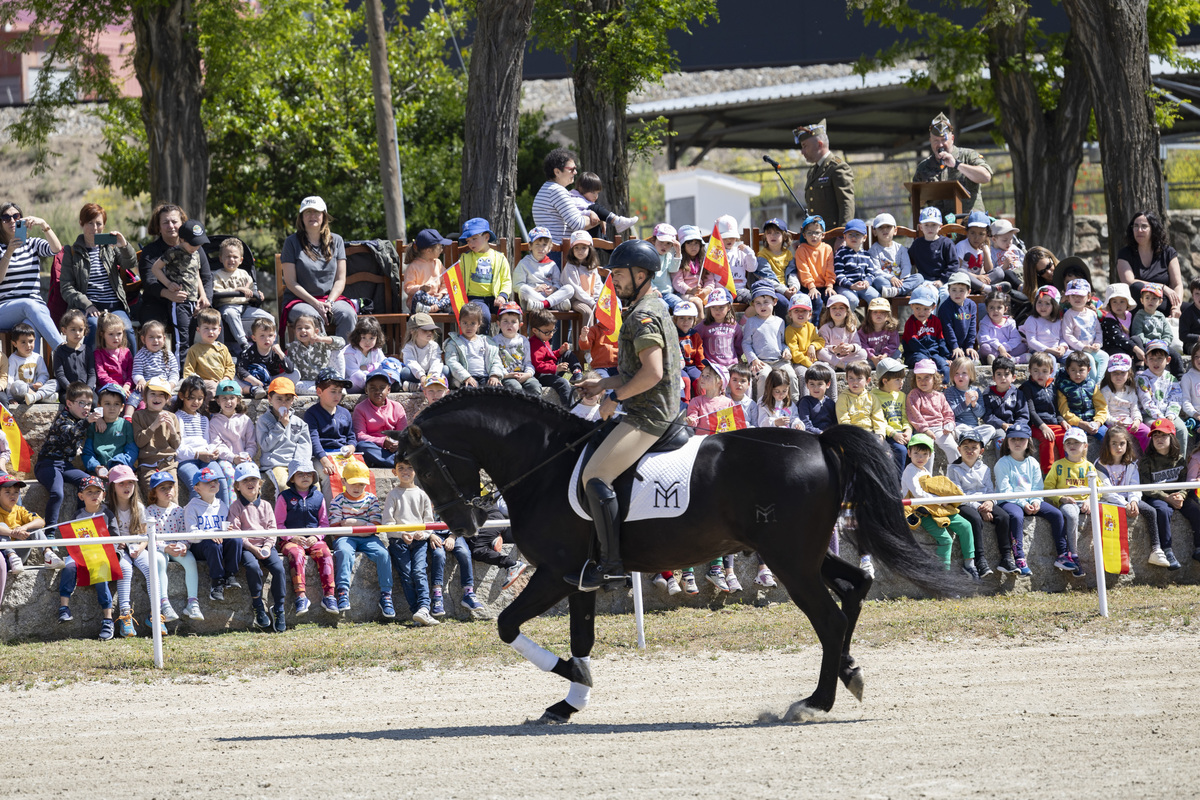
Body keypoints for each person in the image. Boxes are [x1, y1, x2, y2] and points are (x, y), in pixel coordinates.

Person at [574, 239, 682, 590]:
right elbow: (637, 370)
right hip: (646, 406)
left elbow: (651, 375)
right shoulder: (649, 306)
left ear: (640, 274)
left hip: (649, 415)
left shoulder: (644, 314)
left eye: (618, 275)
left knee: (594, 477)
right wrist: (602, 383)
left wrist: (613, 398)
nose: (613, 281)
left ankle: (612, 564)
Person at [58, 202, 137, 349]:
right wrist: (87, 304)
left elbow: (129, 262)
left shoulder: (111, 247)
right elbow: (66, 287)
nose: (95, 228)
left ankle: (134, 371)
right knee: (93, 328)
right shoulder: (72, 252)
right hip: (88, 307)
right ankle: (91, 370)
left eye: (99, 224)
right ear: (81, 223)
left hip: (114, 306)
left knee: (127, 330)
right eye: (90, 223)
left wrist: (124, 245)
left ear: (104, 226)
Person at [107, 464, 173, 635]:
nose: (126, 487)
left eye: (130, 482)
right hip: (120, 550)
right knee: (125, 569)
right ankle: (125, 615)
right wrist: (117, 544)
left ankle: (155, 615)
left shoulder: (139, 507)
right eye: (121, 483)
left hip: (137, 546)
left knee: (152, 567)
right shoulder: (108, 509)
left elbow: (146, 535)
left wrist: (141, 547)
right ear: (113, 486)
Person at [994, 423, 1066, 576]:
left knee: (1056, 514)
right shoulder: (1002, 463)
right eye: (1013, 439)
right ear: (1007, 442)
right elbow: (1005, 490)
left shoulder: (1032, 462)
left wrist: (1036, 501)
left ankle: (1063, 554)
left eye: (1022, 439)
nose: (1017, 443)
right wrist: (1023, 503)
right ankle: (1019, 556)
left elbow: (1037, 487)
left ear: (1028, 442)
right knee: (1016, 516)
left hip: (1029, 501)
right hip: (1009, 501)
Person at [280, 196, 357, 339]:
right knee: (312, 318)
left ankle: (342, 358)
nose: (312, 216)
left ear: (324, 216)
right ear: (301, 217)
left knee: (348, 314)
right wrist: (316, 304)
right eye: (307, 212)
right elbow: (291, 282)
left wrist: (329, 302)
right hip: (301, 300)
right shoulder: (291, 242)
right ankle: (320, 359)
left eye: (316, 212)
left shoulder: (337, 241)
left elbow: (340, 279)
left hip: (330, 299)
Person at [327, 458, 394, 619]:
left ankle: (386, 594)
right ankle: (343, 591)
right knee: (343, 551)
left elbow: (376, 524)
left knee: (383, 554)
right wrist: (363, 527)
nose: (357, 488)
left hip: (367, 538)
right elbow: (335, 527)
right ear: (344, 481)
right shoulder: (338, 501)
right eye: (353, 483)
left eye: (361, 484)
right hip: (345, 539)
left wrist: (352, 523)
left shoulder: (371, 499)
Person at [902, 433, 976, 575]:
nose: (920, 457)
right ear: (909, 452)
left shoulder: (924, 470)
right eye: (916, 453)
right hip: (921, 511)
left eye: (924, 454)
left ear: (930, 455)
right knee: (946, 540)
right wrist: (940, 500)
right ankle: (944, 577)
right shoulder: (910, 470)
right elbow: (918, 494)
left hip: (935, 507)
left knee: (966, 526)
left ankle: (969, 564)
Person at [137, 203, 213, 341]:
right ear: (158, 227)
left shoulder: (195, 247)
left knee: (211, 320)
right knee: (152, 326)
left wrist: (205, 299)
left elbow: (206, 277)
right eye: (165, 222)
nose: (171, 226)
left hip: (190, 301)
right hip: (157, 303)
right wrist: (168, 294)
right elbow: (149, 281)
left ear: (182, 224)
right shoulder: (150, 251)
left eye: (174, 221)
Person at [226, 462, 287, 632]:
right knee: (253, 567)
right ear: (237, 486)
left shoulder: (266, 505)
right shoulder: (236, 507)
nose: (250, 483)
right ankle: (257, 604)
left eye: (253, 479)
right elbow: (237, 533)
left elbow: (272, 529)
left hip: (266, 544)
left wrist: (267, 546)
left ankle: (279, 608)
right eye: (245, 481)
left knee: (279, 569)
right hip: (247, 547)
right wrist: (253, 549)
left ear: (260, 483)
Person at [55, 476, 117, 637]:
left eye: (98, 491)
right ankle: (64, 607)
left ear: (104, 494)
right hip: (80, 554)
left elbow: (116, 538)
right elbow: (73, 540)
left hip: (100, 556)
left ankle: (108, 619)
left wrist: (115, 554)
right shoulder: (77, 515)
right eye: (89, 492)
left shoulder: (108, 514)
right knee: (68, 566)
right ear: (81, 496)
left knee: (100, 574)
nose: (94, 495)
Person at [275, 460, 337, 616]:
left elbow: (324, 523)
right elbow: (278, 524)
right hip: (290, 540)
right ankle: (301, 596)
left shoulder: (318, 496)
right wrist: (292, 537)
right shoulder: (284, 497)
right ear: (292, 479)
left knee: (326, 553)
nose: (305, 477)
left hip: (313, 540)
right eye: (300, 474)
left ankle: (329, 595)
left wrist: (316, 537)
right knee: (296, 554)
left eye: (309, 474)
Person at [0, 202, 66, 349]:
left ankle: (33, 371)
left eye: (16, 216)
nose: (12, 221)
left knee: (30, 327)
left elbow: (56, 249)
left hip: (34, 308)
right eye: (6, 217)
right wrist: (9, 252)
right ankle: (63, 351)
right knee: (28, 305)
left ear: (22, 219)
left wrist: (43, 224)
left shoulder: (33, 244)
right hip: (4, 310)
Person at [383, 458, 440, 627]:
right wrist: (402, 533)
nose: (405, 471)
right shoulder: (392, 495)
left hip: (419, 542)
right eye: (401, 468)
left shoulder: (422, 494)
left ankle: (424, 608)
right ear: (395, 471)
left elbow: (429, 522)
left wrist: (423, 533)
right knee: (406, 575)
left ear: (416, 471)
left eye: (410, 467)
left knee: (419, 572)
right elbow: (387, 523)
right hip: (398, 542)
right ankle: (416, 611)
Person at [34, 381, 100, 526]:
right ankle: (50, 532)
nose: (87, 408)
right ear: (69, 403)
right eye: (81, 403)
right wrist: (88, 421)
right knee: (57, 494)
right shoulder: (63, 418)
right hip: (47, 464)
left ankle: (82, 522)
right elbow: (70, 433)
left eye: (89, 404)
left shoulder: (81, 419)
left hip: (65, 465)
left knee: (89, 483)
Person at [1095, 427, 1159, 571]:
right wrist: (1125, 504)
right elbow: (1106, 490)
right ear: (1107, 445)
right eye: (1114, 443)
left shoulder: (1131, 463)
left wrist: (1134, 501)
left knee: (1151, 511)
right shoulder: (1100, 464)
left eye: (1122, 443)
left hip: (1129, 499)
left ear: (1127, 445)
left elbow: (1135, 485)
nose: (1118, 447)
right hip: (1109, 501)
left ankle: (1156, 548)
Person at [947, 431, 1009, 577]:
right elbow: (958, 494)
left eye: (974, 447)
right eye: (965, 447)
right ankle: (979, 559)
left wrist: (989, 502)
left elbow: (990, 490)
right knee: (974, 519)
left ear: (981, 451)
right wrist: (980, 508)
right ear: (959, 449)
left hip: (984, 503)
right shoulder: (953, 469)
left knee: (1004, 517)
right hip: (963, 504)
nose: (969, 451)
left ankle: (1006, 556)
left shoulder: (985, 468)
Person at [148, 218, 211, 357]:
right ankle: (180, 373)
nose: (196, 246)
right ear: (181, 239)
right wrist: (168, 284)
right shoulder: (173, 252)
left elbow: (197, 275)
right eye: (193, 243)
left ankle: (189, 369)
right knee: (182, 340)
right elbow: (155, 268)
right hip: (180, 303)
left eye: (199, 243)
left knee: (192, 336)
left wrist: (203, 295)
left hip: (194, 302)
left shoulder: (196, 253)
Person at [145, 470, 203, 620]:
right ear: (154, 492)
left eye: (170, 487)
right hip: (160, 549)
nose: (167, 491)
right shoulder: (150, 511)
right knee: (158, 561)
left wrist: (183, 546)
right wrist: (164, 548)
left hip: (176, 548)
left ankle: (193, 603)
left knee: (190, 560)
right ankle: (164, 603)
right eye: (162, 488)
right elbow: (149, 537)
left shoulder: (179, 510)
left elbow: (185, 532)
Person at [911, 112, 993, 215]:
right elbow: (915, 201)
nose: (940, 144)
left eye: (944, 140)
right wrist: (925, 194)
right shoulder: (924, 167)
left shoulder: (968, 156)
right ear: (930, 141)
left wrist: (957, 164)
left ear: (952, 139)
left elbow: (986, 177)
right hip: (940, 228)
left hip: (970, 226)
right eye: (936, 140)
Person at [1141, 418, 1196, 571]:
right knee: (1162, 510)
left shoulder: (1179, 460)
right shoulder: (1146, 461)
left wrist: (1182, 496)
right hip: (1158, 497)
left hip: (1178, 496)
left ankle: (1199, 547)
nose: (1159, 439)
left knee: (1196, 509)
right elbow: (1145, 487)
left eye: (1163, 435)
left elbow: (1186, 482)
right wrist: (1166, 497)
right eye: (1155, 436)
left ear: (1172, 437)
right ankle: (1167, 551)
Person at [531, 148, 601, 261]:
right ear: (557, 172)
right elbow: (578, 224)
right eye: (571, 169)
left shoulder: (547, 188)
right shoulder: (557, 191)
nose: (575, 172)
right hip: (558, 252)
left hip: (549, 251)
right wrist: (600, 218)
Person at [1042, 427, 1093, 578]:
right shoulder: (1058, 465)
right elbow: (1048, 487)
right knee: (1071, 515)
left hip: (1085, 502)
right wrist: (1061, 498)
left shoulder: (1089, 466)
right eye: (1068, 442)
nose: (1072, 445)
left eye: (1076, 442)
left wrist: (1090, 500)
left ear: (1085, 446)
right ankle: (1074, 556)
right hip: (1067, 503)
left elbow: (1098, 488)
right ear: (1063, 446)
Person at [211, 237, 271, 357]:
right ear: (221, 258)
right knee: (230, 314)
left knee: (268, 317)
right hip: (227, 305)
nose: (231, 259)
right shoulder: (216, 275)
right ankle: (244, 344)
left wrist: (257, 294)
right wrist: (238, 289)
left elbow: (252, 291)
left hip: (245, 306)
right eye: (227, 256)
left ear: (241, 260)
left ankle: (269, 346)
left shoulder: (244, 274)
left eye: (235, 257)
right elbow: (217, 292)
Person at [184, 466, 237, 602]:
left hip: (218, 542)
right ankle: (217, 582)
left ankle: (230, 574)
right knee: (213, 544)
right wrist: (208, 534)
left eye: (215, 481)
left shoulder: (222, 505)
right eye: (207, 482)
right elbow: (191, 533)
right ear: (197, 488)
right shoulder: (192, 507)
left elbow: (224, 528)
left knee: (236, 539)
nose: (213, 484)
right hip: (201, 544)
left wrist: (228, 530)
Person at [1116, 211, 1183, 317]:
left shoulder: (1168, 252)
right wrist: (1162, 288)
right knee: (1137, 287)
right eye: (1136, 226)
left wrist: (1176, 307)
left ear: (1153, 229)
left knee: (1191, 310)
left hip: (1164, 302)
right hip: (1140, 305)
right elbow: (1129, 282)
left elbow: (1177, 285)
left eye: (1144, 226)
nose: (1139, 230)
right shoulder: (1125, 253)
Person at [304, 368, 356, 495]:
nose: (337, 396)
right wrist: (324, 459)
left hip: (343, 455)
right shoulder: (312, 414)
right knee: (330, 476)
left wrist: (352, 446)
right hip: (321, 456)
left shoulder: (344, 413)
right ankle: (331, 512)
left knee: (358, 473)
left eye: (339, 392)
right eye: (333, 391)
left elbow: (351, 435)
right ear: (319, 391)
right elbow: (313, 440)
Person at [795, 119, 854, 229]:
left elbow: (846, 204)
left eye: (805, 146)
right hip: (816, 238)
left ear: (819, 144)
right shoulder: (812, 172)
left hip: (833, 237)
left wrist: (842, 236)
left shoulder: (837, 168)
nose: (802, 152)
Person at [256, 377, 313, 490]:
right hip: (275, 464)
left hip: (296, 463)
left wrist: (298, 466)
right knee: (284, 486)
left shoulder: (299, 423)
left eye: (288, 399)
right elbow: (266, 446)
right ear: (270, 399)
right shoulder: (263, 421)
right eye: (279, 398)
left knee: (313, 486)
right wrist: (281, 426)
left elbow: (305, 446)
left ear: (292, 401)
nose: (283, 403)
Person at [456, 217, 512, 329]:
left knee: (510, 314)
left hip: (496, 298)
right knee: (483, 315)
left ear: (486, 237)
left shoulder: (499, 258)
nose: (470, 243)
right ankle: (482, 343)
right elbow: (458, 280)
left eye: (474, 239)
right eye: (468, 241)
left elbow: (506, 280)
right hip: (475, 298)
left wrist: (503, 295)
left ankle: (504, 342)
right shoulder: (465, 258)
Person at [208, 378, 255, 506]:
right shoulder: (214, 423)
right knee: (230, 474)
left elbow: (251, 443)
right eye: (224, 398)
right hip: (226, 459)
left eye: (232, 398)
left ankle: (252, 507)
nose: (228, 402)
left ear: (238, 399)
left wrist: (248, 455)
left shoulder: (245, 420)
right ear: (218, 400)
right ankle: (233, 508)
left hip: (244, 458)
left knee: (252, 474)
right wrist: (233, 458)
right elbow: (216, 445)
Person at [1136, 340, 1187, 454]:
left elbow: (1175, 400)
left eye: (1160, 358)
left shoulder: (1171, 379)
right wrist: (1161, 418)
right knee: (1157, 430)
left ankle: (1179, 463)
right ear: (1145, 361)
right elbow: (1146, 402)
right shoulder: (1142, 379)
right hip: (1150, 415)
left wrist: (1170, 416)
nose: (1156, 362)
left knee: (1181, 429)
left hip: (1168, 415)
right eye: (1152, 359)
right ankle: (1155, 464)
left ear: (1168, 360)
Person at [0, 472, 57, 575]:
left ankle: (48, 554)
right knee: (2, 527)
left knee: (33, 526)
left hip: (19, 558)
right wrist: (12, 533)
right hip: (3, 557)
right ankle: (11, 555)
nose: (13, 495)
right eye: (7, 492)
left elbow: (40, 521)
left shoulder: (20, 510)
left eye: (16, 492)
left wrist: (24, 527)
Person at [745, 285, 794, 401]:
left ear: (775, 302)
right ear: (753, 305)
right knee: (764, 376)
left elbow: (781, 342)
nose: (762, 306)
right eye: (758, 303)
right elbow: (746, 343)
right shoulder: (751, 322)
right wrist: (753, 359)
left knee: (791, 375)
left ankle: (793, 404)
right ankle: (762, 404)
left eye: (766, 302)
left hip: (779, 361)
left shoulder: (780, 321)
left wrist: (786, 350)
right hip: (761, 362)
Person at [133, 378, 181, 496]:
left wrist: (172, 429)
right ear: (145, 397)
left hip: (168, 464)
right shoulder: (138, 415)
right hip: (147, 465)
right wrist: (154, 425)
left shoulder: (172, 417)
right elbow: (139, 442)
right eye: (153, 394)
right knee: (153, 497)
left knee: (171, 498)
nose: (157, 398)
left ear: (167, 399)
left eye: (161, 395)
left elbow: (176, 445)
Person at [1020, 352, 1066, 474]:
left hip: (1053, 423)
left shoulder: (1052, 387)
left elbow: (1056, 410)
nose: (1040, 374)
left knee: (1066, 437)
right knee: (1048, 439)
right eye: (1036, 370)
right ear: (1029, 370)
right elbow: (1031, 411)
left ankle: (1065, 470)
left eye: (1044, 371)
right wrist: (1043, 427)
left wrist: (1062, 421)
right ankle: (1048, 473)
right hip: (1036, 424)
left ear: (1051, 371)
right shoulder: (1027, 387)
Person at [906, 358, 959, 464]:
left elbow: (948, 413)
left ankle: (956, 474)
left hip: (940, 429)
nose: (922, 381)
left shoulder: (940, 396)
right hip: (923, 430)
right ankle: (927, 477)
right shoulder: (914, 394)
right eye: (919, 378)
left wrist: (949, 424)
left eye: (927, 378)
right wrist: (925, 430)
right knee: (927, 452)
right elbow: (914, 414)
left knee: (953, 448)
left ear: (934, 378)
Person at [353, 369, 408, 468]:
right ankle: (399, 463)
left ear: (389, 390)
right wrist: (382, 442)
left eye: (382, 388)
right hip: (374, 448)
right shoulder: (360, 408)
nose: (378, 391)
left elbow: (403, 434)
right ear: (366, 390)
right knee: (362, 446)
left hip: (394, 448)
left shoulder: (397, 407)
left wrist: (398, 443)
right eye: (373, 388)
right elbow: (359, 436)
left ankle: (384, 461)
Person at [787, 215, 837, 321]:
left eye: (817, 232)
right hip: (808, 286)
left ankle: (832, 328)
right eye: (809, 233)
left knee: (833, 300)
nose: (813, 236)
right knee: (816, 301)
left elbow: (830, 269)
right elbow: (804, 270)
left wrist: (830, 285)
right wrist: (812, 287)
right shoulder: (802, 249)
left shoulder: (827, 249)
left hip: (825, 286)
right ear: (804, 235)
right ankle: (813, 328)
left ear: (823, 235)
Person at [1055, 351, 1109, 450]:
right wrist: (1080, 423)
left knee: (1109, 437)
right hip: (1075, 424)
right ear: (1067, 370)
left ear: (1088, 370)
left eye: (1081, 370)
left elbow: (1101, 407)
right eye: (1073, 370)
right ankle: (1072, 464)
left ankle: (1110, 463)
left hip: (1093, 421)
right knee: (1073, 441)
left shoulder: (1092, 385)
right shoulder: (1063, 387)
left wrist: (1098, 422)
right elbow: (1064, 411)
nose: (1077, 374)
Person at [82, 383, 137, 480]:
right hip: (99, 469)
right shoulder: (93, 426)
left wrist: (118, 464)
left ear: (122, 407)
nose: (112, 408)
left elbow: (132, 451)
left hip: (121, 467)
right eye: (107, 404)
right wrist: (96, 466)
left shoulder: (126, 425)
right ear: (99, 405)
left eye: (116, 404)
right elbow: (87, 452)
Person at [182, 307, 237, 401]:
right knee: (212, 387)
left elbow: (230, 366)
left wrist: (226, 378)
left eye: (214, 328)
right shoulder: (194, 349)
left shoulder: (222, 348)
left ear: (219, 330)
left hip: (222, 381)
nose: (210, 332)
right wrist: (194, 382)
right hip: (203, 383)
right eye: (206, 328)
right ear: (198, 330)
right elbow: (188, 370)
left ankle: (230, 413)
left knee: (235, 388)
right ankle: (211, 411)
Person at [444, 302, 503, 389]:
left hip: (486, 377)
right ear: (459, 322)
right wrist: (466, 377)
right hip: (467, 378)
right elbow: (452, 361)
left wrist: (494, 375)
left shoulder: (487, 342)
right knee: (469, 393)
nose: (468, 327)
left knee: (497, 390)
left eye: (472, 323)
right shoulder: (454, 343)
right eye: (465, 323)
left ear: (479, 324)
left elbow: (496, 360)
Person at [514, 226, 572, 313]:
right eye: (537, 244)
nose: (541, 248)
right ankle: (554, 305)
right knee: (523, 289)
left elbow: (558, 283)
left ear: (549, 248)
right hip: (532, 297)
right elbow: (517, 285)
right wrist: (535, 289)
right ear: (530, 246)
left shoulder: (552, 265)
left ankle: (543, 305)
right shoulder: (524, 263)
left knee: (569, 288)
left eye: (544, 245)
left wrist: (553, 289)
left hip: (548, 297)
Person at [237, 317, 299, 398]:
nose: (267, 339)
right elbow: (240, 370)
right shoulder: (250, 352)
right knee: (234, 378)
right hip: (253, 380)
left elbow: (290, 369)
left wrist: (280, 353)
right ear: (254, 338)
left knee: (296, 373)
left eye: (270, 335)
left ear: (274, 337)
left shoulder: (275, 352)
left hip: (272, 381)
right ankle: (254, 389)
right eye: (262, 336)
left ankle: (268, 389)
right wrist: (254, 381)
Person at [1100, 353, 1149, 451]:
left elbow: (1135, 408)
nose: (1118, 376)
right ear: (1109, 374)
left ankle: (1148, 458)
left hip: (1129, 422)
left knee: (1146, 431)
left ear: (1129, 373)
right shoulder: (1106, 391)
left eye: (1122, 373)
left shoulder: (1130, 390)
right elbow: (1104, 412)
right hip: (1113, 423)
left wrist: (1137, 420)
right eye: (1115, 373)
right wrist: (1115, 422)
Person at [901, 284, 951, 380]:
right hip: (915, 353)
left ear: (933, 307)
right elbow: (913, 343)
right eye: (917, 308)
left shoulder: (936, 321)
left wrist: (945, 357)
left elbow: (941, 340)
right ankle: (925, 387)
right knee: (924, 364)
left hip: (934, 354)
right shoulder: (910, 323)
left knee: (944, 365)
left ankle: (943, 387)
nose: (921, 312)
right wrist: (928, 358)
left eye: (926, 309)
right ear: (911, 306)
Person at [945, 357, 997, 448]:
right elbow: (952, 413)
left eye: (964, 373)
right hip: (960, 425)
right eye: (956, 373)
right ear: (952, 375)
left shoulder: (976, 390)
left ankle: (979, 445)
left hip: (974, 427)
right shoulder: (950, 392)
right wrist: (966, 403)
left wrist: (974, 404)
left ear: (971, 375)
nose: (960, 376)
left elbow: (981, 414)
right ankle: (968, 441)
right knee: (959, 428)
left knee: (991, 429)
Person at [873, 358, 912, 474]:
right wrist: (893, 434)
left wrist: (908, 430)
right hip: (889, 434)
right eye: (897, 380)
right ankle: (899, 484)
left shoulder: (901, 395)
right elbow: (878, 420)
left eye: (902, 379)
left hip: (903, 432)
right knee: (900, 450)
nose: (902, 382)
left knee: (918, 446)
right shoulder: (873, 396)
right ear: (885, 381)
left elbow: (905, 415)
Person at [980, 356, 1030, 444]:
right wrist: (1002, 424)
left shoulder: (1018, 394)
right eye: (999, 374)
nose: (1003, 378)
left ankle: (1020, 458)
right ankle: (1002, 458)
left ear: (1013, 377)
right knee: (1001, 440)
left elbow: (1023, 414)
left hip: (1016, 426)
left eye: (1006, 374)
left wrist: (1016, 426)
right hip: (997, 427)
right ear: (993, 378)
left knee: (1023, 439)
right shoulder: (987, 394)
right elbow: (987, 415)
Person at [868, 213, 920, 299]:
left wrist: (903, 279)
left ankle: (898, 291)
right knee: (878, 281)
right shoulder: (873, 250)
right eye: (880, 227)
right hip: (886, 282)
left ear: (895, 230)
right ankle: (904, 290)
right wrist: (891, 278)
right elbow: (875, 271)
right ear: (874, 232)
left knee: (919, 277)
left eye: (888, 226)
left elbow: (906, 266)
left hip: (901, 282)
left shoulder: (900, 248)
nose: (884, 229)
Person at [403, 228, 453, 314]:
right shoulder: (413, 266)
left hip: (436, 301)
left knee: (453, 293)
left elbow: (445, 281)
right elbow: (408, 288)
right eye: (440, 247)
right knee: (419, 295)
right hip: (420, 304)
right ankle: (440, 306)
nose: (442, 250)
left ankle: (435, 308)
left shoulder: (438, 263)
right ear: (428, 250)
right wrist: (421, 288)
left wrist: (441, 293)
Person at [908, 207, 955, 295]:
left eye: (933, 224)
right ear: (920, 227)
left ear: (940, 226)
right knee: (926, 294)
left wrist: (942, 280)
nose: (930, 228)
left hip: (944, 281)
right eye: (926, 225)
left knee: (946, 295)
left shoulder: (946, 243)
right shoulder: (917, 244)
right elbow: (908, 258)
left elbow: (953, 265)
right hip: (924, 281)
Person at [6, 322, 55, 406]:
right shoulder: (13, 358)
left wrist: (40, 382)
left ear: (35, 340)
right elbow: (10, 379)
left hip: (36, 389)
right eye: (23, 342)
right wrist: (10, 397)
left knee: (55, 382)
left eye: (31, 341)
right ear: (14, 344)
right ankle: (41, 397)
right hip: (20, 393)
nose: (28, 345)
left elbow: (43, 374)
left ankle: (35, 397)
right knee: (17, 384)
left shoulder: (37, 357)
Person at [562, 230, 603, 326]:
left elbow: (598, 285)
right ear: (572, 250)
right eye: (576, 248)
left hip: (591, 299)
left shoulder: (592, 266)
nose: (580, 251)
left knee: (604, 309)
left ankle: (600, 338)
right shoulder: (570, 266)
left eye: (583, 248)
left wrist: (597, 300)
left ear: (590, 249)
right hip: (575, 299)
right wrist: (591, 302)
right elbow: (575, 289)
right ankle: (585, 339)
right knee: (588, 312)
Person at [784, 293, 822, 393]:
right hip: (798, 363)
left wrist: (813, 346)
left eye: (804, 311)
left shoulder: (811, 327)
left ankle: (831, 402)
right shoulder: (789, 330)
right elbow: (795, 354)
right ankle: (804, 401)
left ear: (810, 315)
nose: (800, 314)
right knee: (804, 375)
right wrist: (809, 364)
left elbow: (821, 341)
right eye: (796, 310)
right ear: (790, 314)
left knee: (828, 372)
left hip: (813, 360)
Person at [686, 360, 737, 433]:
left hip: (720, 441)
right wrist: (691, 420)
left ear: (719, 382)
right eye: (702, 375)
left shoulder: (728, 403)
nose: (702, 378)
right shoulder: (696, 401)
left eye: (707, 376)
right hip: (702, 441)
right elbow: (693, 419)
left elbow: (733, 425)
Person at [132, 321, 181, 398]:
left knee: (178, 399)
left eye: (159, 337)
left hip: (165, 388)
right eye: (151, 337)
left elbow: (174, 373)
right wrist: (140, 380)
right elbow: (136, 373)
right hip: (148, 389)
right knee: (133, 399)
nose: (155, 340)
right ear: (143, 339)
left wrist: (170, 385)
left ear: (164, 339)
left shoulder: (169, 355)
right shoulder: (140, 356)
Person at [400, 312, 448, 389]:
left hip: (431, 374)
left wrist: (432, 376)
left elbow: (436, 361)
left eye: (431, 330)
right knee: (405, 372)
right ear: (412, 331)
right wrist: (422, 376)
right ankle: (425, 386)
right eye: (425, 330)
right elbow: (411, 362)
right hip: (416, 375)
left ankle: (417, 386)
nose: (429, 332)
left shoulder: (434, 345)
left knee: (446, 370)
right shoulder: (408, 347)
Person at [978, 289, 1027, 365]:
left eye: (999, 307)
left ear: (1005, 309)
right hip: (993, 349)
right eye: (991, 308)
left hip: (1008, 349)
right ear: (987, 309)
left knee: (1023, 346)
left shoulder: (1010, 322)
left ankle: (998, 360)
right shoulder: (984, 323)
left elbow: (1016, 338)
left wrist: (1005, 348)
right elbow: (983, 338)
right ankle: (1013, 360)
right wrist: (999, 347)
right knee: (985, 348)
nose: (995, 311)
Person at [1101, 283, 1144, 368]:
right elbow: (1118, 338)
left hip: (1128, 345)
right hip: (1114, 347)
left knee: (1136, 338)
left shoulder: (1128, 315)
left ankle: (1140, 367)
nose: (1118, 305)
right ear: (1109, 304)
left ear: (1127, 303)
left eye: (1122, 301)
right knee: (1121, 355)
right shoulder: (1109, 319)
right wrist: (1135, 348)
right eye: (1114, 302)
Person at [54, 309, 96, 395]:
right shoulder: (59, 351)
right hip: (68, 391)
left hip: (86, 390)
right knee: (71, 403)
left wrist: (88, 389)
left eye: (80, 329)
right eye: (73, 329)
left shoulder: (87, 351)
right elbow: (60, 374)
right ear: (64, 330)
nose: (77, 333)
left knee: (94, 402)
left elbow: (92, 374)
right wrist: (69, 388)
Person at [341, 316, 387, 394]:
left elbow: (384, 364)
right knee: (357, 377)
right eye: (363, 337)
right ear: (357, 336)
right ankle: (373, 386)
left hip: (373, 382)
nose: (367, 342)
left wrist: (369, 367)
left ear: (377, 338)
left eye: (371, 338)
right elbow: (353, 374)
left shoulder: (377, 351)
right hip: (354, 385)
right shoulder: (349, 352)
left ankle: (374, 386)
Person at [859, 297, 900, 369]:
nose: (879, 314)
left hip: (887, 357)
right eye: (875, 312)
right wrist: (873, 357)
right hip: (870, 358)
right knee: (861, 356)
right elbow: (863, 345)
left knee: (897, 353)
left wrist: (885, 355)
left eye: (882, 312)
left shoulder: (891, 329)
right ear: (870, 315)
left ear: (888, 315)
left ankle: (889, 365)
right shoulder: (864, 330)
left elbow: (893, 345)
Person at [797, 363, 837, 434]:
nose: (816, 388)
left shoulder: (830, 403)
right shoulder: (805, 402)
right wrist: (820, 433)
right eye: (812, 384)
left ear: (828, 385)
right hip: (811, 436)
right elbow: (805, 424)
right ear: (807, 385)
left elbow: (834, 422)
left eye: (820, 384)